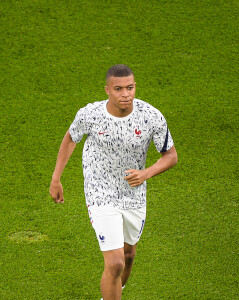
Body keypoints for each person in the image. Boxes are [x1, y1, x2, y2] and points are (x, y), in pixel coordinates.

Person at [49, 64, 178, 300]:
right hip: (100, 192)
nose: (125, 94)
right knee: (116, 262)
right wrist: (56, 178)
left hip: (134, 195)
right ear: (107, 90)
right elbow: (70, 138)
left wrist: (146, 173)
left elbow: (171, 156)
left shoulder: (151, 116)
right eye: (118, 89)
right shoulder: (90, 115)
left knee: (128, 257)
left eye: (130, 88)